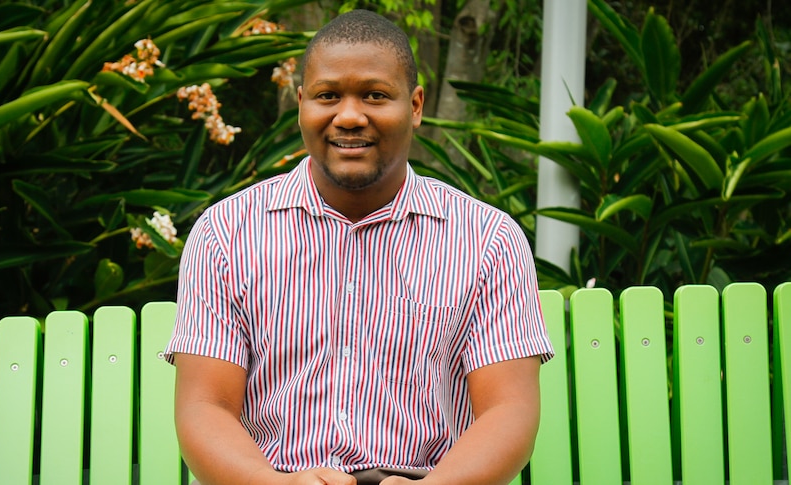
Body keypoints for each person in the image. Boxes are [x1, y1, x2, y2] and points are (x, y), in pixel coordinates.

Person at [165, 8, 554, 485]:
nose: (349, 117)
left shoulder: (488, 240)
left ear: (414, 106)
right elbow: (205, 407)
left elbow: (509, 409)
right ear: (302, 102)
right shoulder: (225, 235)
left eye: (374, 95)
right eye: (328, 96)